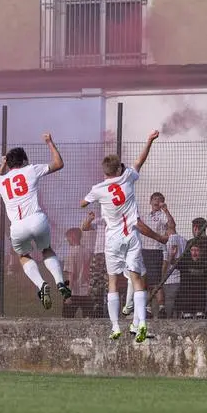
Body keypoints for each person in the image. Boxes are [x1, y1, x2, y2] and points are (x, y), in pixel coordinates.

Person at [80, 130, 160, 342]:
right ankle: (141, 322)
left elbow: (83, 203)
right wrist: (149, 140)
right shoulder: (127, 178)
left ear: (105, 171)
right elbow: (140, 160)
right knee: (137, 280)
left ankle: (115, 326)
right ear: (118, 169)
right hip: (131, 235)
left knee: (113, 281)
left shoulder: (98, 189)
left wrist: (91, 200)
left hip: (112, 239)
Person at [0, 133, 70, 309]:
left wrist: (2, 165)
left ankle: (41, 285)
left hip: (17, 226)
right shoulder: (31, 169)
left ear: (9, 165)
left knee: (23, 256)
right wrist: (49, 142)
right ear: (24, 160)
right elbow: (58, 163)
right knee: (46, 249)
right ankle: (60, 283)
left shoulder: (0, 181)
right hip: (37, 219)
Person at [125, 192, 174, 317]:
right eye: (155, 199)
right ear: (150, 201)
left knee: (156, 281)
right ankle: (147, 308)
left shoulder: (162, 216)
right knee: (144, 281)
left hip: (156, 250)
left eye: (159, 200)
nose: (157, 202)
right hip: (144, 250)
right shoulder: (145, 216)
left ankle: (162, 307)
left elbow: (172, 225)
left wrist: (166, 210)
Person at [61, 227, 95, 319]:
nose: (66, 240)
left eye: (67, 237)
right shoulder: (87, 251)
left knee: (66, 319)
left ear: (72, 237)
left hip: (74, 292)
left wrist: (68, 295)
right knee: (89, 320)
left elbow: (71, 275)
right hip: (86, 292)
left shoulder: (71, 253)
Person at [160, 224, 187, 319]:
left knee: (169, 302)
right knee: (179, 304)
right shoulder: (184, 240)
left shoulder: (167, 241)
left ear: (165, 228)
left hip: (169, 278)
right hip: (181, 277)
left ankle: (169, 320)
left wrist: (162, 278)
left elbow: (165, 261)